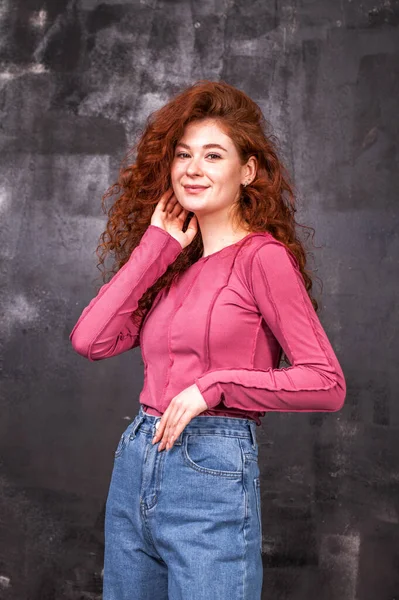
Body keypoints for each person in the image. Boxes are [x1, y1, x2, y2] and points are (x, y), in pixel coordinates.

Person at [69, 79, 346, 600]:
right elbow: (90, 339)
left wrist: (214, 386)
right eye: (183, 155)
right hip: (136, 462)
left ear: (247, 171)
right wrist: (155, 248)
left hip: (210, 467)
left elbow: (326, 383)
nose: (193, 169)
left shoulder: (263, 258)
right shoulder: (176, 267)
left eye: (213, 155)